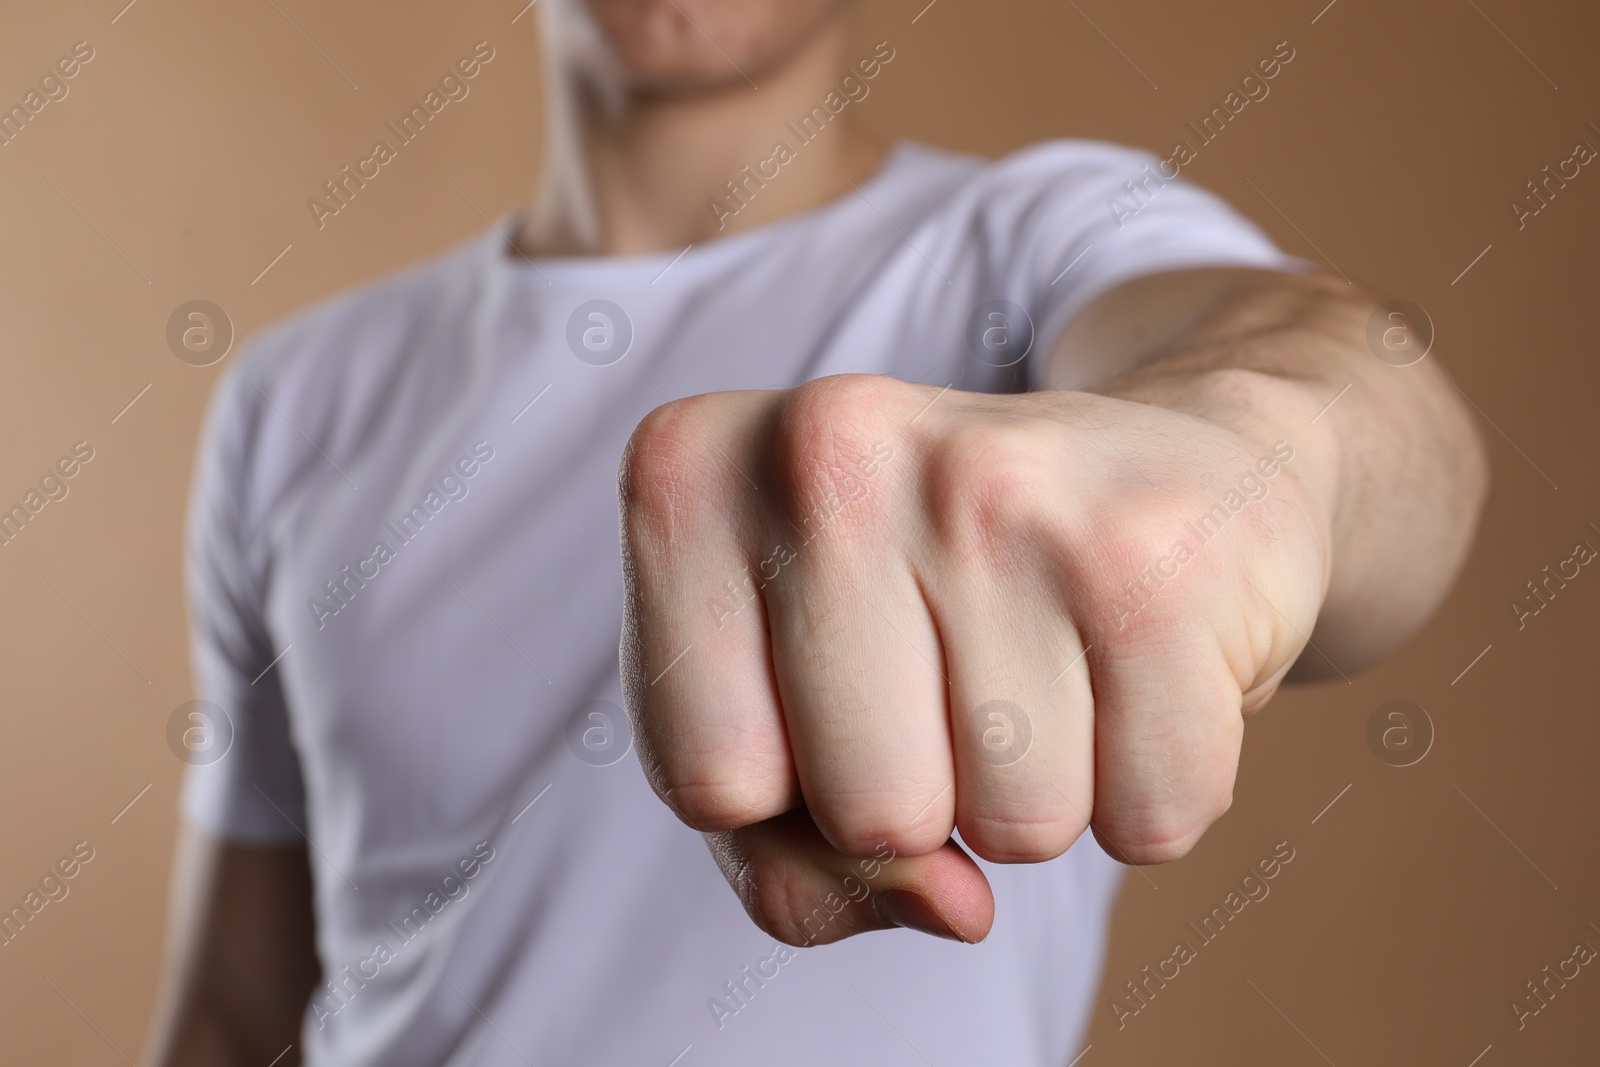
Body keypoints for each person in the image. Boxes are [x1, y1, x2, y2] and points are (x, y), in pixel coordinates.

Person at [142, 1, 1488, 1064]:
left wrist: (1259, 451)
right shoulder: (295, 393)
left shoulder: (1030, 241)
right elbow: (236, 1005)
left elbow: (1351, 391)